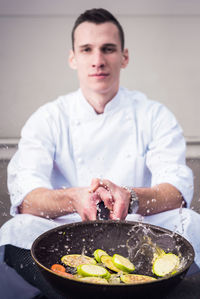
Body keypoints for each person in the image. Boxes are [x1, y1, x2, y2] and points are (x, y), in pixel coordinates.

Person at [0, 7, 200, 298]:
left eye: (108, 49)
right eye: (86, 49)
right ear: (73, 58)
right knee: (16, 229)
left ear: (124, 56)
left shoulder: (154, 115)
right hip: (63, 230)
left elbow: (177, 191)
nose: (97, 60)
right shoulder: (48, 117)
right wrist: (74, 197)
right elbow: (27, 198)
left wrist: (130, 197)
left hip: (136, 229)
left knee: (191, 223)